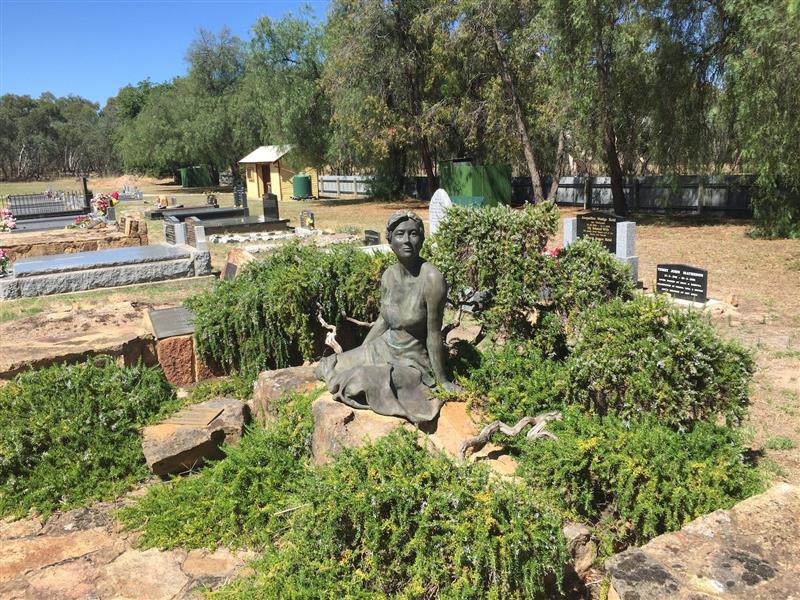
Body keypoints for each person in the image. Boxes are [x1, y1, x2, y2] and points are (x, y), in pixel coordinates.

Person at [314, 210, 457, 423]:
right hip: (382, 348)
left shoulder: (432, 279)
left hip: (411, 362)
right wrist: (362, 351)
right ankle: (365, 367)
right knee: (325, 368)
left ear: (422, 239)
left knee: (358, 380)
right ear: (390, 240)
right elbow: (383, 321)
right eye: (400, 234)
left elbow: (433, 335)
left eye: (413, 234)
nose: (407, 241)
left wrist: (442, 381)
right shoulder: (389, 275)